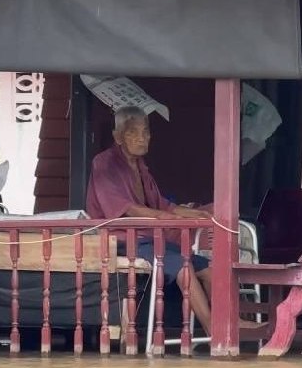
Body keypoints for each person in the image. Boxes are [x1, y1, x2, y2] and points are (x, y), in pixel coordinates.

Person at [85, 106, 220, 335]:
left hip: (149, 239)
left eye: (145, 132)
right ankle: (214, 331)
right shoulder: (104, 163)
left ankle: (231, 325)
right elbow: (129, 210)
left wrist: (199, 214)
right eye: (133, 133)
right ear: (118, 137)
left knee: (211, 269)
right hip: (122, 241)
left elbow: (163, 205)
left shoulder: (141, 168)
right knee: (183, 267)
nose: (142, 138)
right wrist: (166, 217)